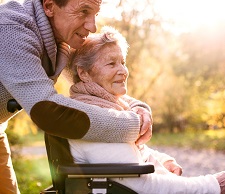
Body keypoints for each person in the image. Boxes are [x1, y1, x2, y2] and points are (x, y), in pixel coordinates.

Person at [0, 0, 152, 193]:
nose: (92, 26)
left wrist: (138, 108)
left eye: (95, 14)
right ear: (49, 5)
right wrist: (132, 125)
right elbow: (48, 110)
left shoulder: (60, 36)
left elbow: (93, 79)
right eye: (83, 11)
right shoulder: (13, 31)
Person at [68, 26, 225, 194]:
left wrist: (161, 161)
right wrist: (214, 185)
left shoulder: (105, 107)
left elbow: (126, 153)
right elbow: (143, 186)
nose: (123, 71)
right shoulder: (91, 117)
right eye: (111, 63)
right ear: (84, 73)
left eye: (123, 62)